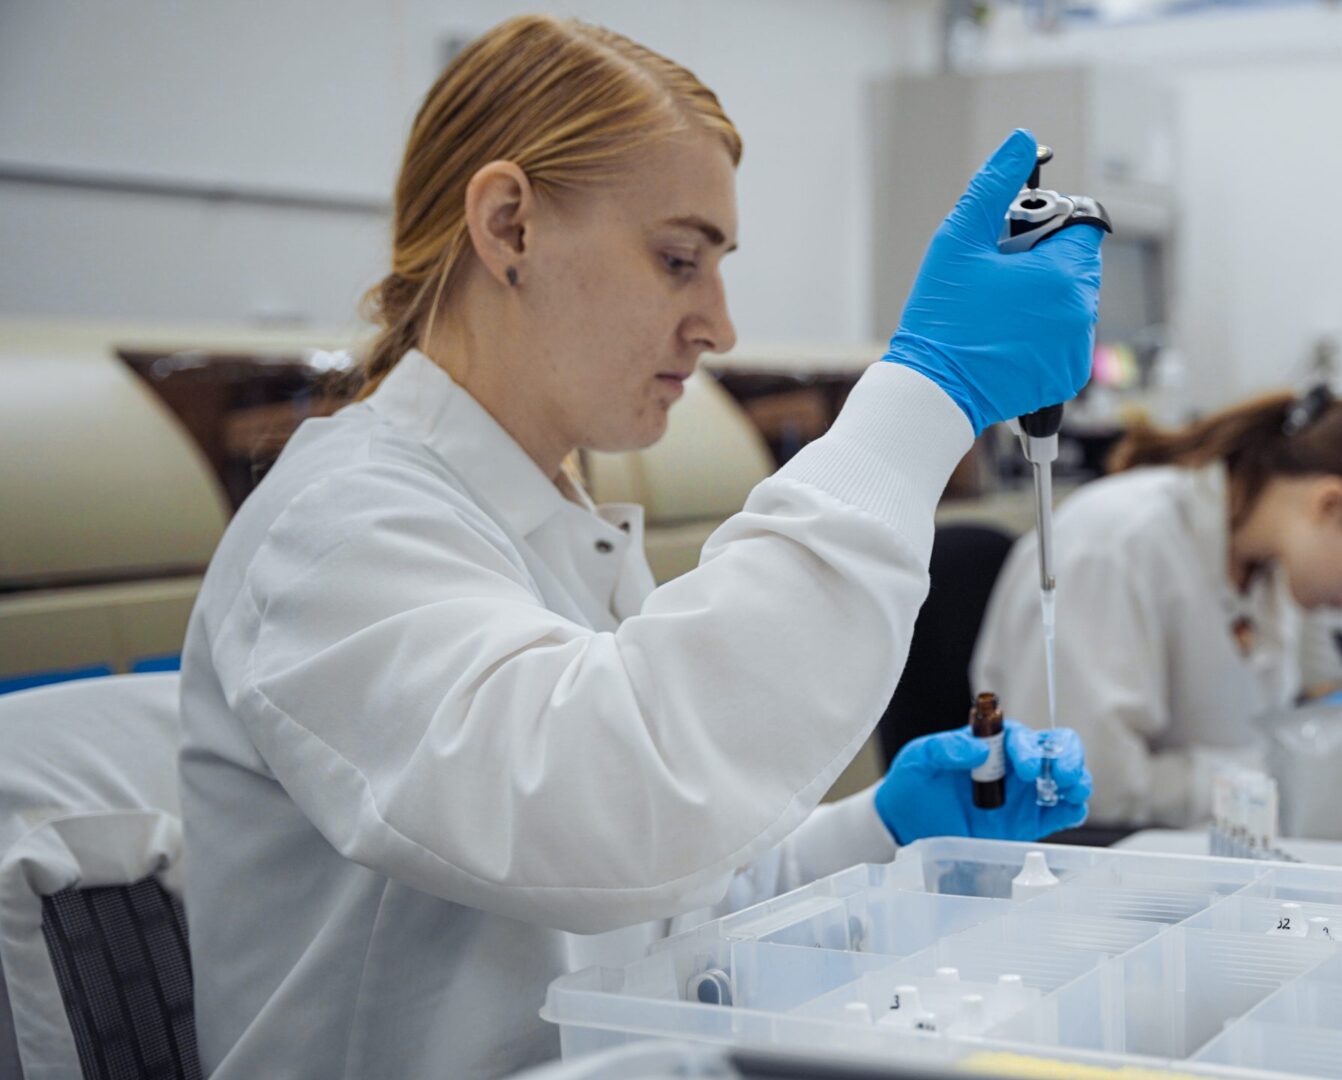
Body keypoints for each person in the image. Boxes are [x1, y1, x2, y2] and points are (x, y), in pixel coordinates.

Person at [176, 15, 1100, 1078]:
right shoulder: (337, 527)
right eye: (677, 260)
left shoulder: (544, 521)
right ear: (510, 225)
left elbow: (652, 909)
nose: (718, 323)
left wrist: (885, 833)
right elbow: (611, 804)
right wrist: (927, 397)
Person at [972, 386, 1342, 829]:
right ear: (1329, 505)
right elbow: (1089, 784)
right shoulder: (1114, 546)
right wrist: (1265, 775)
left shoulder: (1262, 567)